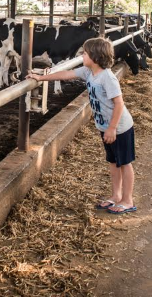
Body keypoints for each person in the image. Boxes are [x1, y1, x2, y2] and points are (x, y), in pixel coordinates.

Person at [27, 37, 137, 215]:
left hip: (120, 127)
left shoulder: (107, 78)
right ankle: (116, 196)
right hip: (105, 126)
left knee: (125, 163)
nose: (81, 55)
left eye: (84, 53)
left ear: (95, 56)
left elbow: (119, 104)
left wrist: (112, 128)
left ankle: (128, 200)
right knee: (113, 162)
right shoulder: (88, 72)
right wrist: (41, 77)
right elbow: (66, 74)